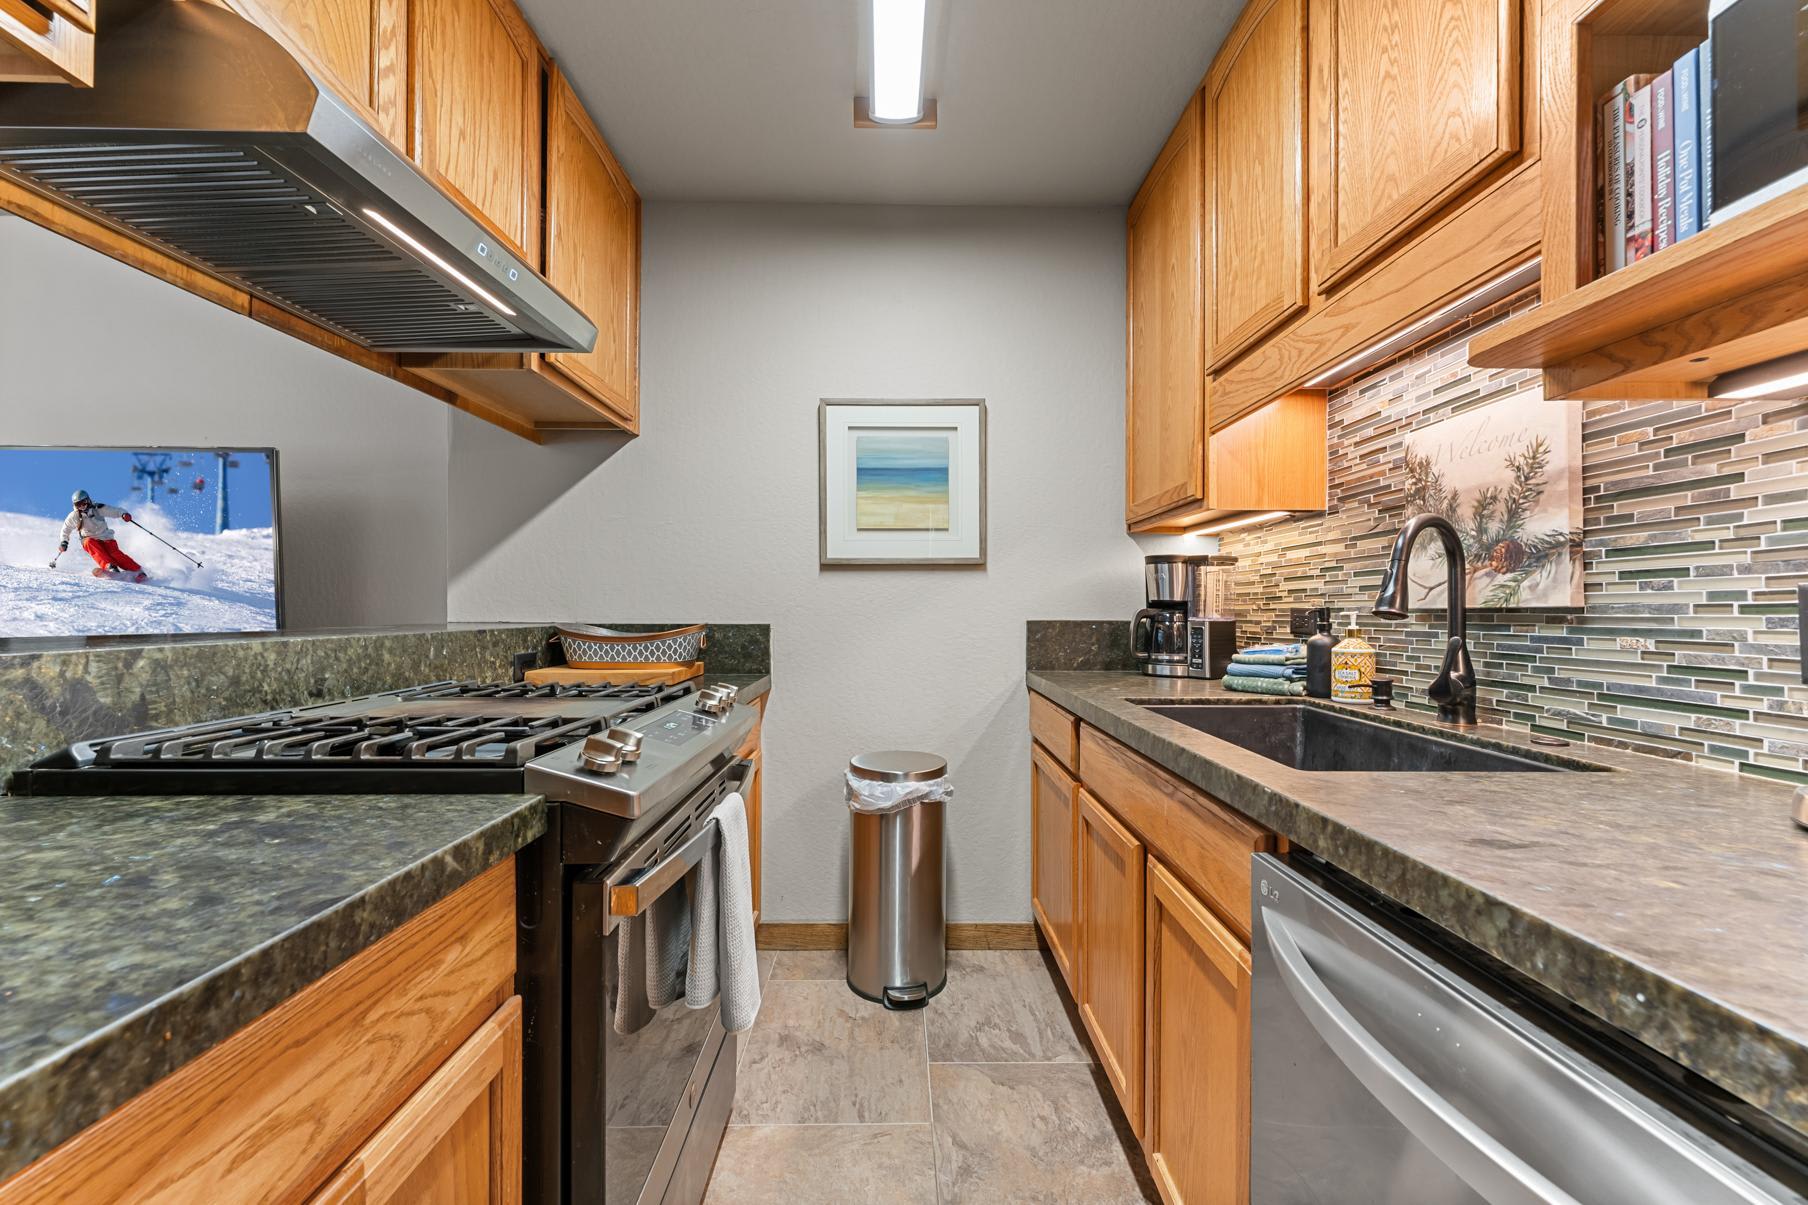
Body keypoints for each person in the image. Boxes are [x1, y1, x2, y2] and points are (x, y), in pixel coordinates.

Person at [56, 489, 148, 582]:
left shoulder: (98, 508)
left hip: (105, 537)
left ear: (87, 500)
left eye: (83, 503)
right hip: (90, 538)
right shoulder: (74, 516)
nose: (81, 507)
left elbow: (114, 511)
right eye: (78, 505)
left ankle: (137, 571)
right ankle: (110, 566)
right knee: (89, 543)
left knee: (114, 553)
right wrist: (64, 542)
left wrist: (123, 514)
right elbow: (65, 529)